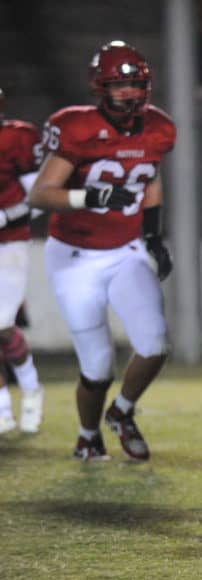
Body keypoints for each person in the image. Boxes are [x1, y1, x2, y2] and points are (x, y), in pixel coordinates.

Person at [28, 41, 175, 462]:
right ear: (100, 87)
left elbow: (150, 178)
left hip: (125, 249)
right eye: (118, 85)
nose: (129, 93)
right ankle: (88, 436)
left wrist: (153, 236)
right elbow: (40, 194)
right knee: (97, 365)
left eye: (136, 84)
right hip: (74, 255)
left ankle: (122, 411)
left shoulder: (159, 127)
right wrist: (90, 196)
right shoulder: (75, 127)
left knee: (155, 343)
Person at [0, 87, 45, 435]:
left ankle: (30, 388)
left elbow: (41, 198)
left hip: (9, 242)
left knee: (2, 325)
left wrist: (5, 216)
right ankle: (2, 406)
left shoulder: (17, 137)